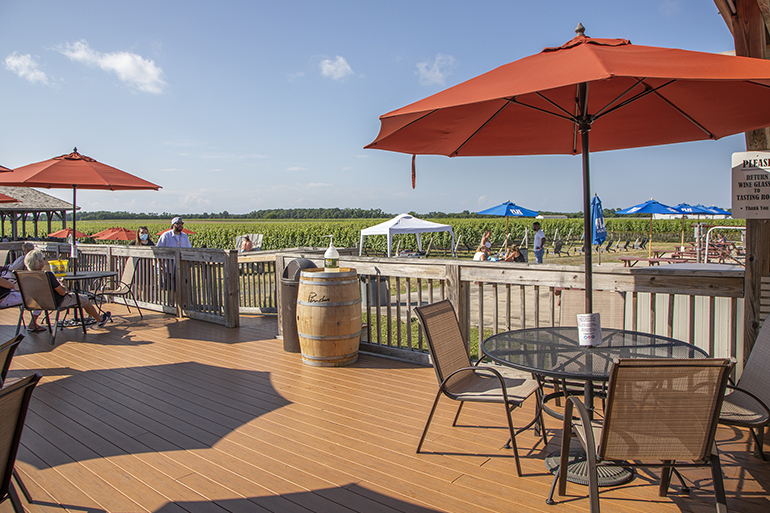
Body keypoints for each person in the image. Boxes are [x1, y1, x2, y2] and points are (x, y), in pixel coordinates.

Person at [23, 250, 111, 332]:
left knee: (41, 297)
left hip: (36, 302)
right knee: (85, 298)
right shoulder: (47, 275)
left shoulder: (25, 276)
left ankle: (32, 323)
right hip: (57, 302)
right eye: (43, 259)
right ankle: (100, 319)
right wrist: (63, 285)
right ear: (40, 262)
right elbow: (62, 292)